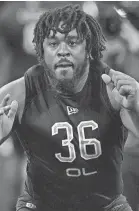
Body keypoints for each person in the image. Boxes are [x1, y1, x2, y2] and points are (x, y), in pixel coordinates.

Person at [0, 4, 139, 211]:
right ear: (41, 49)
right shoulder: (20, 92)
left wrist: (135, 108)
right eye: (53, 44)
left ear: (88, 47)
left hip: (105, 203)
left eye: (72, 42)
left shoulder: (113, 86)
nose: (63, 51)